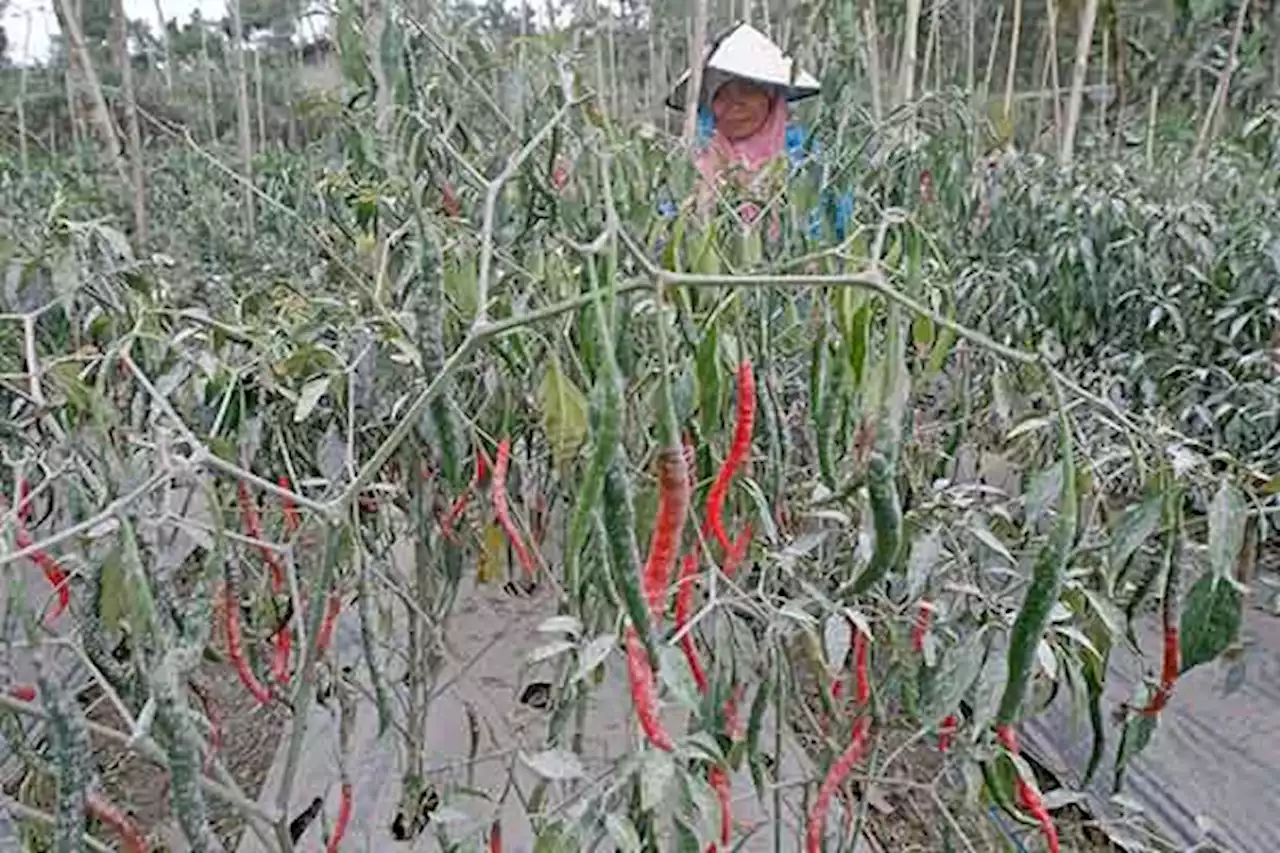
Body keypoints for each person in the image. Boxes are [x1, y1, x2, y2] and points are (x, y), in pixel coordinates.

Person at [666, 23, 853, 242]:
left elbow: (836, 227)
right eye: (720, 95)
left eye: (748, 90)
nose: (735, 105)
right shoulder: (691, 167)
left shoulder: (809, 160)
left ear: (772, 99)